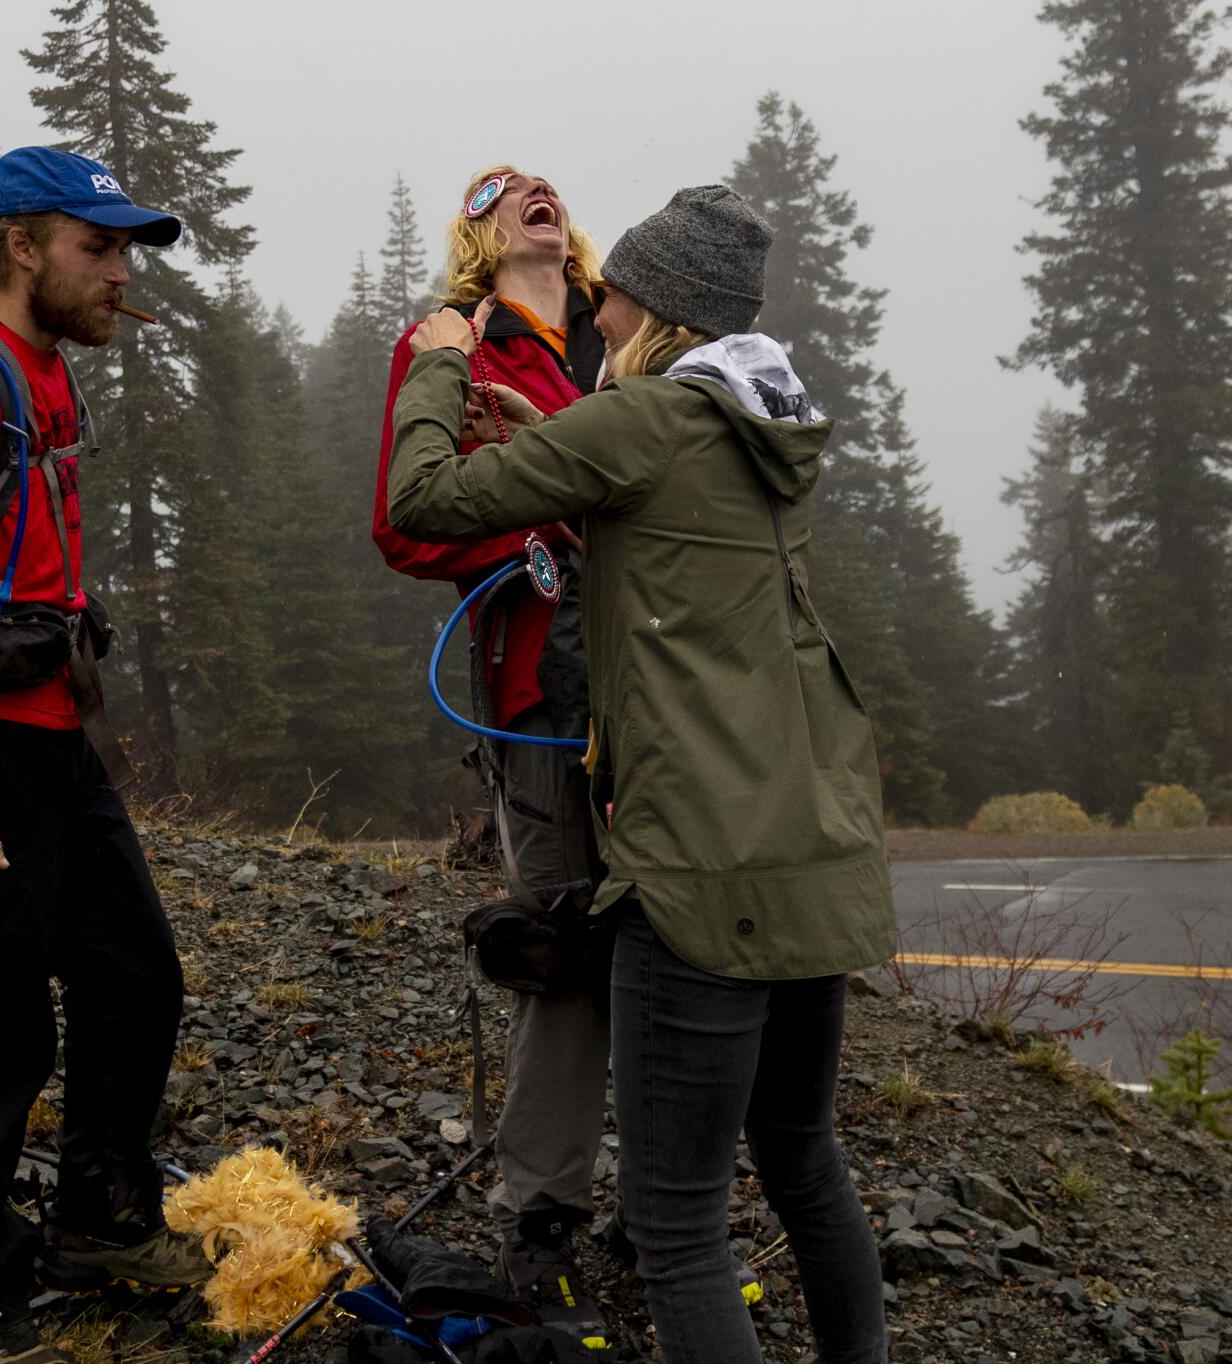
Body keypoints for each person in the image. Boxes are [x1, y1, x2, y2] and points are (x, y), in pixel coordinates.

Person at [386, 185, 896, 1364]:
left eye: (616, 293)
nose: (597, 303)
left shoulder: (641, 421)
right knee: (801, 1156)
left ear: (660, 309)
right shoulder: (758, 425)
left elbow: (420, 502)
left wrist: (436, 364)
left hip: (697, 871)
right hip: (812, 853)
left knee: (675, 1220)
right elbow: (658, 530)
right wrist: (549, 437)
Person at [0, 146, 210, 1364]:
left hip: (56, 738)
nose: (119, 272)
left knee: (133, 975)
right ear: (22, 246)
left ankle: (98, 1224)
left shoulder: (44, 374)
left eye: (124, 251)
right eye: (96, 247)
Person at [369, 166, 615, 1340]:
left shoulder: (629, 337)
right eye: (503, 188)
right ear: (476, 235)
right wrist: (529, 524)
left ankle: (670, 1200)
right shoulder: (450, 346)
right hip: (537, 698)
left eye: (548, 186)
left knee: (678, 938)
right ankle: (543, 1217)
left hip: (666, 696)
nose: (534, 194)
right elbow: (402, 522)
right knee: (560, 947)